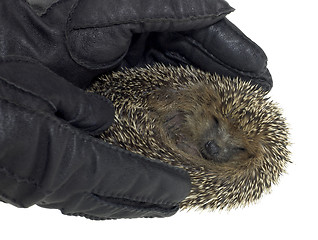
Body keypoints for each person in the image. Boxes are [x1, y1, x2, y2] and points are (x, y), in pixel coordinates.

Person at [0, 0, 272, 220]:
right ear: (212, 107)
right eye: (215, 123)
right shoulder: (191, 95)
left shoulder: (232, 174)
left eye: (237, 150)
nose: (216, 147)